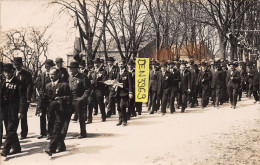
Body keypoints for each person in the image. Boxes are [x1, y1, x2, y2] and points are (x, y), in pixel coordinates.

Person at [1, 63, 27, 157]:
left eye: (8, 72)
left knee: (11, 129)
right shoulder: (3, 82)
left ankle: (5, 149)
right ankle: (16, 147)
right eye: (5, 72)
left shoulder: (18, 82)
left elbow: (22, 98)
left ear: (13, 71)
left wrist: (21, 111)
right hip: (5, 110)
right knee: (9, 130)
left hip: (14, 111)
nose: (7, 74)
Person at [44, 68, 71, 156]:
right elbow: (45, 99)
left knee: (57, 128)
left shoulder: (64, 85)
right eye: (50, 74)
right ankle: (61, 145)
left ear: (58, 75)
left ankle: (51, 148)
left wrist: (61, 98)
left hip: (61, 110)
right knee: (52, 128)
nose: (51, 76)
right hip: (51, 111)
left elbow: (69, 97)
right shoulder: (47, 85)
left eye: (53, 74)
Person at [13, 57, 33, 140]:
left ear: (22, 64)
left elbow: (29, 87)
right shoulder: (13, 73)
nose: (17, 66)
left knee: (23, 115)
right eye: (15, 65)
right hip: (14, 98)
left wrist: (28, 98)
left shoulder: (27, 74)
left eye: (18, 64)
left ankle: (24, 133)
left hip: (23, 98)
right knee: (14, 115)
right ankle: (13, 132)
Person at [67, 61, 89, 138]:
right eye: (70, 69)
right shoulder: (69, 77)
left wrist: (82, 98)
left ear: (76, 69)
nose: (70, 70)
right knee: (67, 116)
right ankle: (63, 133)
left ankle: (83, 133)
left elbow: (87, 89)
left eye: (72, 69)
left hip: (79, 100)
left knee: (81, 117)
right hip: (70, 100)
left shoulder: (83, 77)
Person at [35, 59, 56, 139]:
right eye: (46, 66)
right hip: (42, 98)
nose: (47, 68)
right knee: (42, 115)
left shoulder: (53, 74)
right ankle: (42, 132)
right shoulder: (41, 75)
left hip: (50, 98)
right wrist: (39, 92)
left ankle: (49, 133)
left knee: (50, 115)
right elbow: (38, 84)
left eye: (49, 66)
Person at [115, 60, 133, 126]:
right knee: (118, 107)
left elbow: (130, 84)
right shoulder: (117, 73)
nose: (120, 65)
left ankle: (124, 120)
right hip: (118, 92)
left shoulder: (128, 73)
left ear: (124, 64)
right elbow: (116, 81)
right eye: (119, 64)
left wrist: (130, 92)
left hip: (125, 92)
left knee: (122, 106)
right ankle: (120, 119)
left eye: (122, 64)